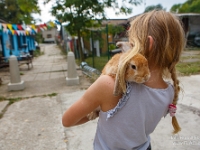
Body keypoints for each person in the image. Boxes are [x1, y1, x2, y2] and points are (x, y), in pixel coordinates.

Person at [62, 10, 186, 150]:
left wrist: (98, 110)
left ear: (148, 44)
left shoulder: (108, 85)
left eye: (132, 44)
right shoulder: (170, 92)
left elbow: (67, 120)